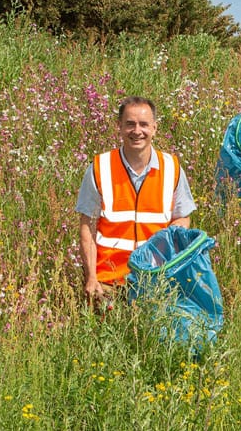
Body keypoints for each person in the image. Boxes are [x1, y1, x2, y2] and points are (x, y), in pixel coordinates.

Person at [76, 96, 196, 307]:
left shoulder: (172, 168)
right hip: (109, 282)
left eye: (144, 124)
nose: (137, 131)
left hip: (156, 280)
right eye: (130, 124)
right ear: (119, 127)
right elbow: (88, 226)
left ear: (155, 128)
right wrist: (91, 277)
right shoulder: (100, 167)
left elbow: (182, 217)